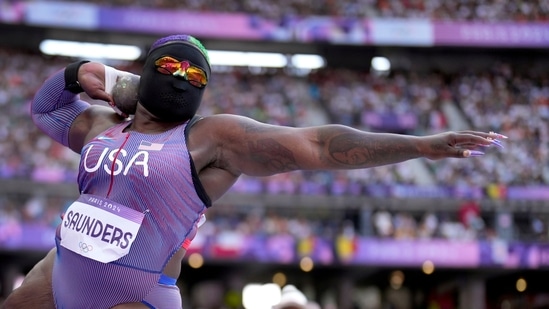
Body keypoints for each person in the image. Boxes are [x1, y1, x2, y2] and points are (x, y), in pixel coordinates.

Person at [2, 33, 505, 309]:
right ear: (144, 73)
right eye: (172, 69)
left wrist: (419, 145)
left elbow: (317, 145)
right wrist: (75, 74)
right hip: (61, 269)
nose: (183, 79)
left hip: (133, 294)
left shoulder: (210, 137)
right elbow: (46, 110)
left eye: (196, 75)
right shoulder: (101, 125)